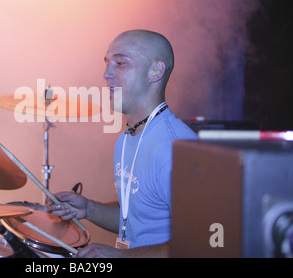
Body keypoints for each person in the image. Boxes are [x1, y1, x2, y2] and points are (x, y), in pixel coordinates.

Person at [49, 29, 198, 257]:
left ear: (155, 71)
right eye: (107, 63)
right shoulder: (127, 138)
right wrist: (88, 208)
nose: (106, 74)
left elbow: (201, 243)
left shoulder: (176, 149)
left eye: (120, 63)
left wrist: (122, 256)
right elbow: (136, 218)